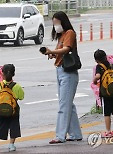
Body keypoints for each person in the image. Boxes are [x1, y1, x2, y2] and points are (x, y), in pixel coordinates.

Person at [41, 11, 82, 144]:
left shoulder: (69, 33)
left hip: (68, 73)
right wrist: (53, 54)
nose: (55, 26)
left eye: (56, 23)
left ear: (62, 21)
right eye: (53, 23)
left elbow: (66, 49)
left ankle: (60, 135)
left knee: (64, 105)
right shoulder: (61, 36)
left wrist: (52, 51)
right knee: (68, 104)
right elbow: (62, 52)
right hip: (61, 71)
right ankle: (75, 133)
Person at [0, 64, 24, 153]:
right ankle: (11, 145)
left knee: (1, 127)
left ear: (2, 74)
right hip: (14, 111)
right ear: (14, 74)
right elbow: (21, 97)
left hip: (1, 111)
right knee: (14, 127)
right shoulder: (17, 86)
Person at [93, 49, 113, 138]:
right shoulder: (112, 65)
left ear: (96, 59)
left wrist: (94, 81)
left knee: (107, 112)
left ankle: (108, 132)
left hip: (106, 92)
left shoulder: (99, 66)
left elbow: (98, 76)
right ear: (105, 57)